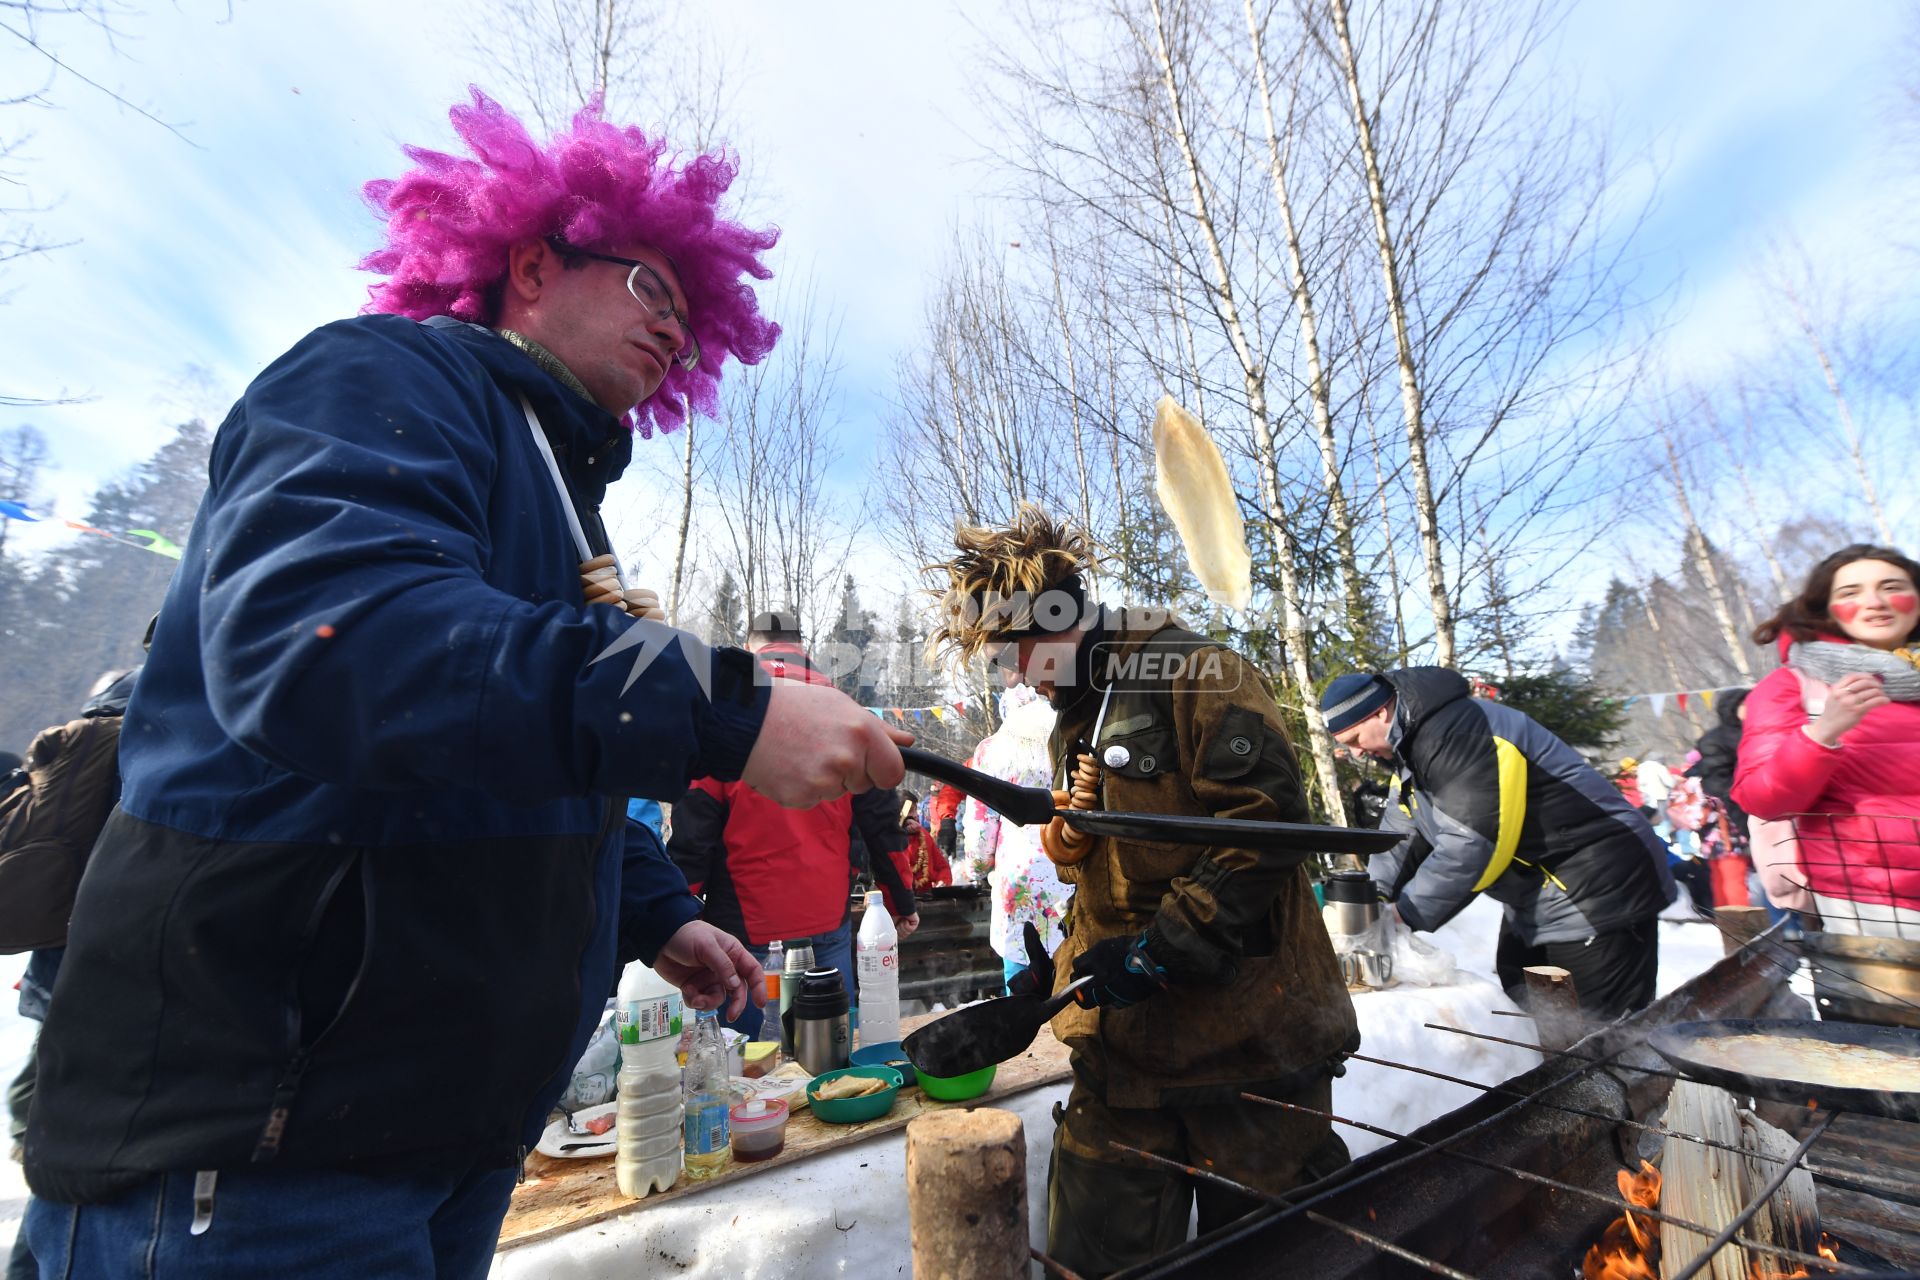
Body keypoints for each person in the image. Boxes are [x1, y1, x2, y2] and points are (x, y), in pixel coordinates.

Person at [21, 93, 909, 1280]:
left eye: (692, 331)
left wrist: (655, 909)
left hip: (440, 1148)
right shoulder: (376, 376)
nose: (672, 339)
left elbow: (511, 745)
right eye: (653, 288)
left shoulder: (556, 493)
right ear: (534, 262)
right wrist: (730, 708)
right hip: (254, 1162)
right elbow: (341, 644)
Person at [928, 505, 1357, 1277]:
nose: (1016, 674)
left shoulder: (1197, 672)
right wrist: (1061, 964)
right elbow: (1105, 864)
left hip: (1251, 1050)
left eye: (1016, 652)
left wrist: (1166, 949)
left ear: (1057, 617)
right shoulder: (1074, 720)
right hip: (1124, 1059)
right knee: (1091, 1261)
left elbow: (1265, 825)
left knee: (1282, 1259)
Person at [1322, 668, 1675, 1018]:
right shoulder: (1411, 749)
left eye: (1355, 740)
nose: (1356, 754)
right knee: (1523, 1002)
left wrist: (1403, 915)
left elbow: (1472, 843)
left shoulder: (1458, 733)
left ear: (1380, 713)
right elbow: (1400, 833)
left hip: (1602, 885)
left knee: (1599, 1028)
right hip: (1541, 891)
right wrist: (1375, 897)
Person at [668, 611, 918, 1029]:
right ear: (802, 649)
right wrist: (901, 902)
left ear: (751, 648)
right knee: (833, 1061)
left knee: (751, 1071)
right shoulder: (843, 713)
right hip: (827, 920)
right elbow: (881, 821)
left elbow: (693, 835)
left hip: (744, 934)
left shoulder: (722, 718)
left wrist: (675, 919)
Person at [2, 666, 139, 1280]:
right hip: (129, 988)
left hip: (67, 969)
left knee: (60, 1178)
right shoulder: (185, 721)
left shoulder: (92, 732)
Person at [1733, 544, 1920, 936]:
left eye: (1891, 587)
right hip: (1879, 904)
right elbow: (1763, 799)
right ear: (1827, 609)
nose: (1875, 602)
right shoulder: (1793, 686)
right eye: (1850, 592)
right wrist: (1822, 734)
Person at [959, 681, 1071, 993]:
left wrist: (977, 868)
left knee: (1021, 986)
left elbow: (980, 827)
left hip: (1019, 881)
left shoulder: (993, 750)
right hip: (1073, 869)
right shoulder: (1078, 735)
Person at [898, 790, 953, 894]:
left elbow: (942, 867)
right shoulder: (889, 839)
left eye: (915, 810)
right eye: (910, 811)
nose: (915, 815)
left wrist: (942, 882)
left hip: (929, 897)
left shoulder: (923, 834)